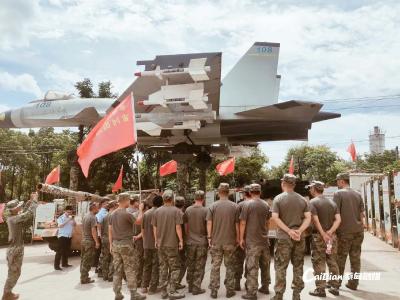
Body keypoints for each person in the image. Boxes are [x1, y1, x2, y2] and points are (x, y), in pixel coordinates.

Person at [271, 174, 311, 300]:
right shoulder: (303, 200)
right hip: (299, 238)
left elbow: (275, 218)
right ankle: (296, 295)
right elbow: (308, 218)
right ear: (294, 185)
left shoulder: (278, 199)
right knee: (298, 265)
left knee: (281, 267)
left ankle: (278, 295)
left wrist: (289, 231)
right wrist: (299, 231)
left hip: (283, 238)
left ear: (283, 184)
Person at [307, 181, 341, 297]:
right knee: (332, 261)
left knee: (318, 262)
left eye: (310, 188)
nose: (309, 190)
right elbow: (338, 220)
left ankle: (320, 289)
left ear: (314, 189)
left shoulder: (312, 202)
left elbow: (315, 220)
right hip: (332, 237)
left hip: (318, 237)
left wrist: (323, 234)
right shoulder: (332, 203)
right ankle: (335, 286)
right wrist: (330, 232)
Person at [109, 193, 146, 300]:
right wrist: (140, 210)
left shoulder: (112, 214)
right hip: (126, 245)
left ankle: (117, 293)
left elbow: (110, 230)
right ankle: (134, 294)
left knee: (117, 269)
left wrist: (111, 244)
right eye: (129, 200)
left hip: (116, 244)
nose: (130, 202)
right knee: (130, 269)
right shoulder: (126, 214)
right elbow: (139, 221)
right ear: (125, 200)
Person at [2, 193, 38, 300]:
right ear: (14, 209)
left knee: (14, 272)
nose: (20, 207)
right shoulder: (14, 219)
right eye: (18, 206)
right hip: (15, 250)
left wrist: (29, 202)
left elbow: (24, 212)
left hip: (15, 249)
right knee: (14, 273)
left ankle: (8, 293)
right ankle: (6, 294)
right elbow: (29, 214)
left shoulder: (13, 217)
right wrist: (34, 201)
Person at [207, 183, 239, 299]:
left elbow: (209, 223)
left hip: (216, 241)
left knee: (215, 266)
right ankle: (230, 291)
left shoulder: (212, 206)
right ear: (228, 192)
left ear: (218, 192)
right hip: (230, 241)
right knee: (230, 266)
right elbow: (237, 224)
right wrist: (238, 238)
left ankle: (214, 291)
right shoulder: (235, 206)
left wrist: (209, 238)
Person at [334, 173, 366, 291]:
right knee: (355, 258)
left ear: (342, 181)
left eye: (338, 181)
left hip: (344, 232)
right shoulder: (358, 194)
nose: (337, 183)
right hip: (358, 231)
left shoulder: (338, 194)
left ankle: (336, 284)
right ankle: (353, 283)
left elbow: (335, 214)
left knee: (340, 258)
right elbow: (362, 214)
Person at [239, 183, 271, 300]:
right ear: (260, 192)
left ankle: (252, 292)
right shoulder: (266, 205)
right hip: (264, 240)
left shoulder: (247, 205)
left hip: (252, 241)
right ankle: (265, 287)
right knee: (265, 265)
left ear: (250, 192)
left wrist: (241, 238)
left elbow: (243, 223)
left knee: (252, 266)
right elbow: (267, 222)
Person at [152, 190, 185, 299]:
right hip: (172, 244)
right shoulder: (176, 211)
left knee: (163, 267)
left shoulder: (157, 211)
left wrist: (156, 240)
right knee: (175, 268)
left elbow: (155, 227)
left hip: (161, 244)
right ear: (172, 199)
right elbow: (178, 227)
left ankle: (163, 291)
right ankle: (172, 291)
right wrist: (181, 240)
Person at [184, 190, 208, 295]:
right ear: (203, 199)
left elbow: (185, 226)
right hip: (202, 241)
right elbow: (208, 226)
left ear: (194, 198)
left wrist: (188, 236)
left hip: (190, 241)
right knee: (200, 265)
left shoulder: (188, 210)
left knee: (191, 264)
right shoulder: (206, 210)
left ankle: (190, 285)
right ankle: (196, 287)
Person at [141, 195, 163, 294]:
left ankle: (144, 286)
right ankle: (152, 288)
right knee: (156, 266)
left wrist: (145, 240)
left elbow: (142, 229)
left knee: (146, 265)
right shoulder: (159, 213)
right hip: (156, 244)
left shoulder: (146, 213)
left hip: (146, 243)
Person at [235, 185, 252, 291]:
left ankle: (237, 282)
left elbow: (237, 222)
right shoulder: (258, 204)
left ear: (244, 194)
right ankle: (248, 282)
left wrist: (238, 237)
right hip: (253, 238)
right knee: (251, 262)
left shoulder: (240, 205)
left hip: (241, 237)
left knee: (238, 260)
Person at [80, 202, 100, 284]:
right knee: (87, 261)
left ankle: (83, 276)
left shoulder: (85, 216)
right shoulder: (92, 217)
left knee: (83, 260)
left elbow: (82, 228)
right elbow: (93, 230)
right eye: (97, 208)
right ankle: (84, 278)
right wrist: (97, 242)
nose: (98, 209)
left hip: (84, 240)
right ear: (94, 208)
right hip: (89, 241)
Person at [54, 205, 76, 270]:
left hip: (69, 236)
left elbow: (74, 225)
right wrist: (67, 220)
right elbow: (60, 226)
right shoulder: (61, 217)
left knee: (66, 251)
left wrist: (73, 220)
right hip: (62, 236)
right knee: (59, 251)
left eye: (71, 212)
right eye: (68, 212)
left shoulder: (71, 217)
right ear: (65, 211)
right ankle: (56, 266)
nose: (69, 213)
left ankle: (65, 263)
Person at [100, 200, 117, 282]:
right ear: (114, 207)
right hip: (112, 239)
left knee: (105, 258)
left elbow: (102, 229)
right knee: (113, 258)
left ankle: (104, 275)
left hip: (104, 238)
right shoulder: (114, 216)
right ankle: (110, 276)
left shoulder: (105, 217)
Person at [130, 195, 145, 289]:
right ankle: (138, 281)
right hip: (140, 240)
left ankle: (137, 280)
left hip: (134, 239)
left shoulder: (132, 214)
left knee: (136, 261)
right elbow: (144, 229)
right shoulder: (141, 215)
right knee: (140, 261)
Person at [175, 196, 187, 289]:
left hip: (169, 242)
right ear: (183, 204)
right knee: (182, 263)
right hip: (180, 242)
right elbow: (185, 229)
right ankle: (176, 282)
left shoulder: (172, 212)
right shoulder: (182, 214)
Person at [95, 199, 108, 274]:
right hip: (102, 235)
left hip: (103, 235)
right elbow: (98, 224)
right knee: (100, 252)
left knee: (101, 252)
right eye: (106, 203)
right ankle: (98, 268)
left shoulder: (105, 212)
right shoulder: (101, 213)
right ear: (102, 204)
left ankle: (99, 268)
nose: (107, 204)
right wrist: (99, 235)